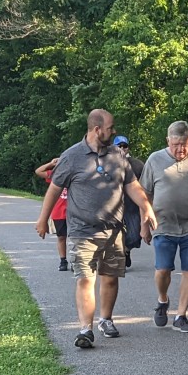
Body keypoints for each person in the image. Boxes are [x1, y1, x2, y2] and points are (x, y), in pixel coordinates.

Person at [35, 110, 157, 349]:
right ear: (96, 129)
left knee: (110, 279)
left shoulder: (117, 157)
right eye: (110, 128)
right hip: (82, 230)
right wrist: (43, 219)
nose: (113, 131)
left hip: (113, 229)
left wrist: (147, 208)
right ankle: (85, 329)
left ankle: (106, 319)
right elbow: (53, 189)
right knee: (85, 279)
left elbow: (132, 185)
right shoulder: (71, 157)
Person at [141, 120, 188, 333]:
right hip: (162, 224)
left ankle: (181, 315)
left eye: (184, 144)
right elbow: (144, 194)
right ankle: (163, 299)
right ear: (168, 141)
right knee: (163, 270)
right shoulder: (154, 160)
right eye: (175, 144)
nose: (180, 149)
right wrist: (144, 224)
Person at [33, 155, 71, 271]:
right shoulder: (55, 176)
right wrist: (51, 164)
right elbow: (38, 171)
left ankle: (77, 260)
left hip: (73, 212)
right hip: (59, 212)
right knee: (61, 237)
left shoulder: (73, 176)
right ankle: (63, 260)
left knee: (76, 238)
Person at [115, 136, 143, 268]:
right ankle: (119, 257)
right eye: (118, 146)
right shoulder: (106, 163)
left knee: (135, 236)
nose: (121, 149)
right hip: (113, 207)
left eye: (124, 146)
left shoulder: (137, 164)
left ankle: (126, 250)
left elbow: (145, 186)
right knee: (114, 235)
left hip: (132, 206)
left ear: (128, 148)